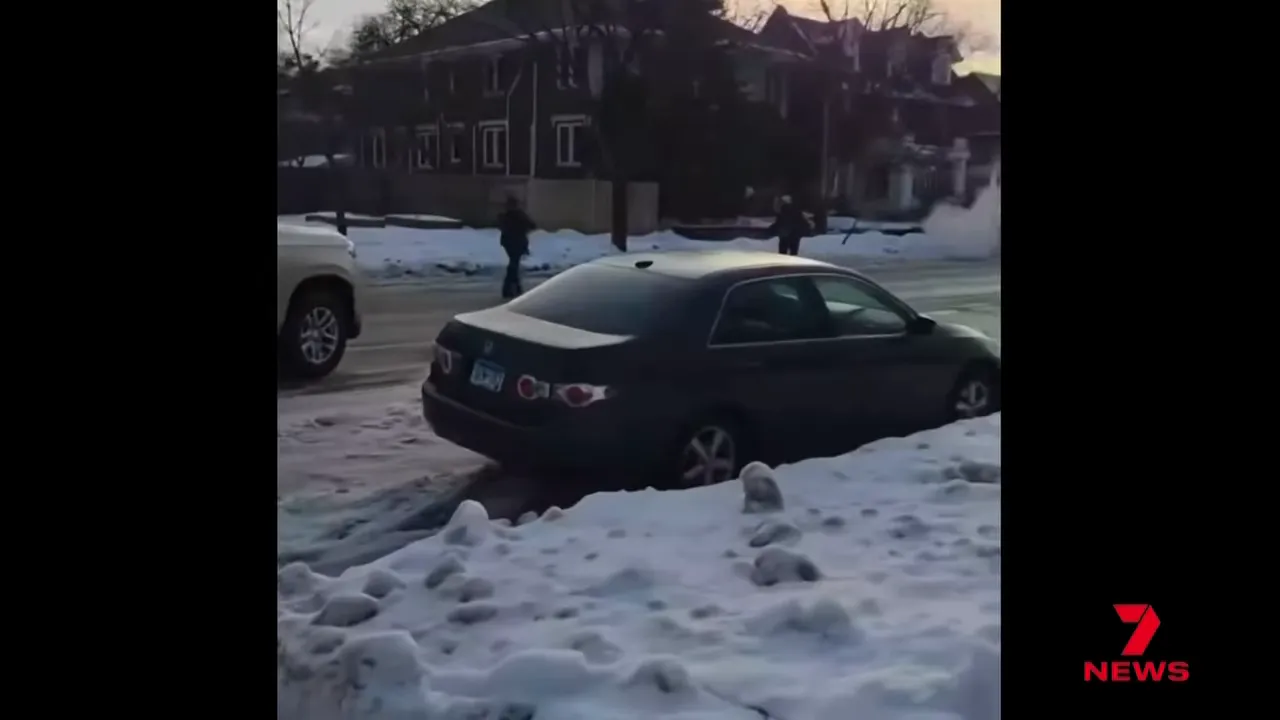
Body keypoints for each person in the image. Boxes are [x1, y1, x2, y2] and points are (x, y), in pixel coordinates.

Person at [497, 196, 535, 298]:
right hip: (517, 242)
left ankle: (514, 288)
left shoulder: (504, 216)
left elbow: (501, 226)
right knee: (514, 265)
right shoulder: (519, 215)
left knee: (513, 264)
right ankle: (511, 289)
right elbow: (532, 225)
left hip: (508, 243)